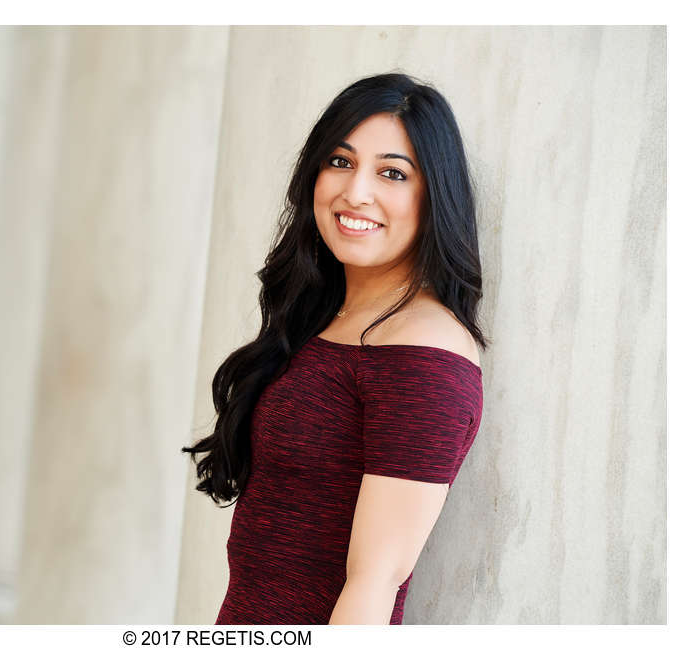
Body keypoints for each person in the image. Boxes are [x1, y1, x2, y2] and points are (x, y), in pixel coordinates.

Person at [181, 72, 488, 625]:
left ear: (434, 194)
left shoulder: (424, 354)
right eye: (340, 162)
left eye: (392, 173)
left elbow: (376, 580)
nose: (356, 192)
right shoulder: (325, 320)